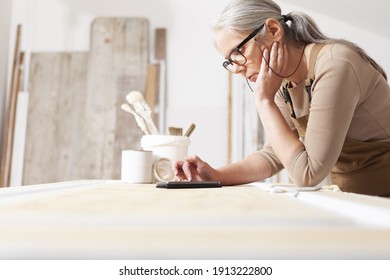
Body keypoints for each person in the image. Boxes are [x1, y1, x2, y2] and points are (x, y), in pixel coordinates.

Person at [173, 0, 390, 197]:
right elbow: (274, 154)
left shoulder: (335, 64)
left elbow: (308, 174)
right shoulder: (281, 81)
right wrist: (215, 175)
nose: (237, 68)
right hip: (361, 200)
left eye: (239, 51)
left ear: (273, 30)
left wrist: (263, 100)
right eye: (230, 61)